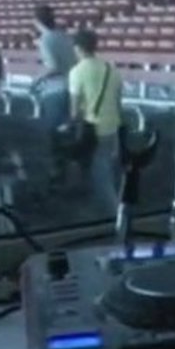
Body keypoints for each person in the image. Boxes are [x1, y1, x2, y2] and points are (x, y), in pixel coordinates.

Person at [68, 29, 124, 218]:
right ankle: (110, 205)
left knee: (100, 173)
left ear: (78, 48)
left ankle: (116, 213)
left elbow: (75, 110)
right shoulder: (111, 70)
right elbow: (118, 102)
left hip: (92, 127)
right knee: (108, 166)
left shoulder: (77, 72)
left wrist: (70, 127)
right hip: (112, 125)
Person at [30, 4, 77, 184]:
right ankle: (72, 171)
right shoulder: (65, 37)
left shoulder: (46, 40)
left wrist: (37, 79)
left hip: (55, 90)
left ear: (36, 21)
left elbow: (52, 66)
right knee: (67, 131)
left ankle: (58, 175)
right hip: (71, 87)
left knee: (53, 135)